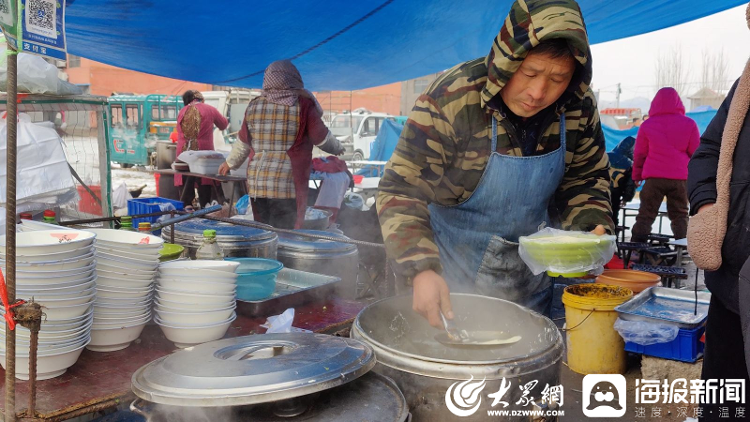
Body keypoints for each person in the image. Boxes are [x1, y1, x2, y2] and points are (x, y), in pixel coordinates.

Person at [377, 0, 613, 328]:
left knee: (524, 358)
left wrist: (590, 231)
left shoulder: (577, 106)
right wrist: (421, 269)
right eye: (529, 73)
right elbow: (401, 188)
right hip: (446, 278)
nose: (538, 92)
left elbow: (586, 177)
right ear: (507, 60)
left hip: (528, 281)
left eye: (558, 79)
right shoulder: (452, 97)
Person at [218, 60, 344, 229]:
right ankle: (281, 256)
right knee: (285, 233)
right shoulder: (303, 105)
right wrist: (337, 148)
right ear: (294, 78)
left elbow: (242, 143)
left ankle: (265, 255)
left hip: (258, 184)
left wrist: (229, 163)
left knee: (264, 232)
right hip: (287, 184)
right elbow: (322, 138)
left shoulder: (254, 105)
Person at [631, 87, 699, 242]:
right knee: (680, 215)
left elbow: (640, 154)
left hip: (654, 179)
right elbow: (695, 153)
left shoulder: (647, 125)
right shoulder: (689, 124)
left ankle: (636, 249)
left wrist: (636, 176)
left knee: (645, 215)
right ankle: (683, 249)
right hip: (680, 178)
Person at [174, 90, 229, 208]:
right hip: (203, 154)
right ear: (201, 99)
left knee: (185, 183)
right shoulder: (209, 109)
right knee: (204, 180)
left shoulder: (182, 111)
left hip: (183, 154)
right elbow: (223, 124)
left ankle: (186, 208)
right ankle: (205, 208)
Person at [607, 136, 637, 228]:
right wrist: (626, 198)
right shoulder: (630, 164)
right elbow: (630, 184)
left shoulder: (605, 156)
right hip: (615, 195)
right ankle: (612, 240)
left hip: (598, 191)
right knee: (612, 219)